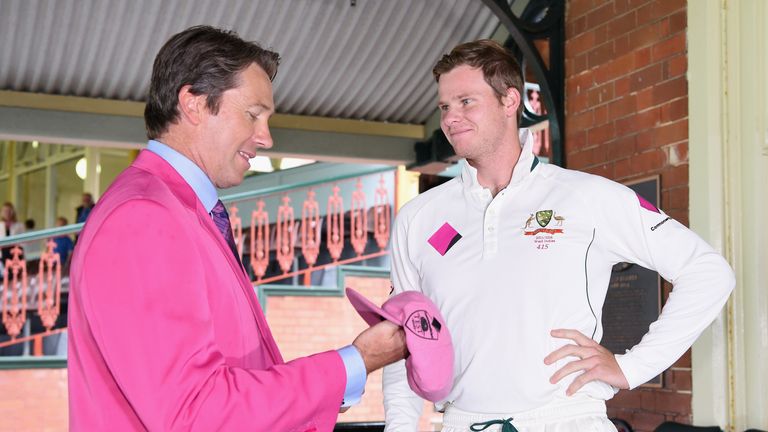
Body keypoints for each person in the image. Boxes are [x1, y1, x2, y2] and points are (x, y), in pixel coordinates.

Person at [382, 40, 735, 431]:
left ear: (510, 100)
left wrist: (632, 366)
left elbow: (708, 272)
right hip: (461, 421)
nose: (451, 118)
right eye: (445, 106)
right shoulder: (418, 218)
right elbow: (406, 339)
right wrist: (398, 426)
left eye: (466, 101)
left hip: (566, 419)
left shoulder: (586, 196)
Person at [68, 26, 407, 431]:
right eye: (253, 115)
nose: (265, 137)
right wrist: (356, 362)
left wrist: (339, 378)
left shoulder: (179, 210)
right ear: (193, 104)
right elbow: (195, 413)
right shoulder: (144, 218)